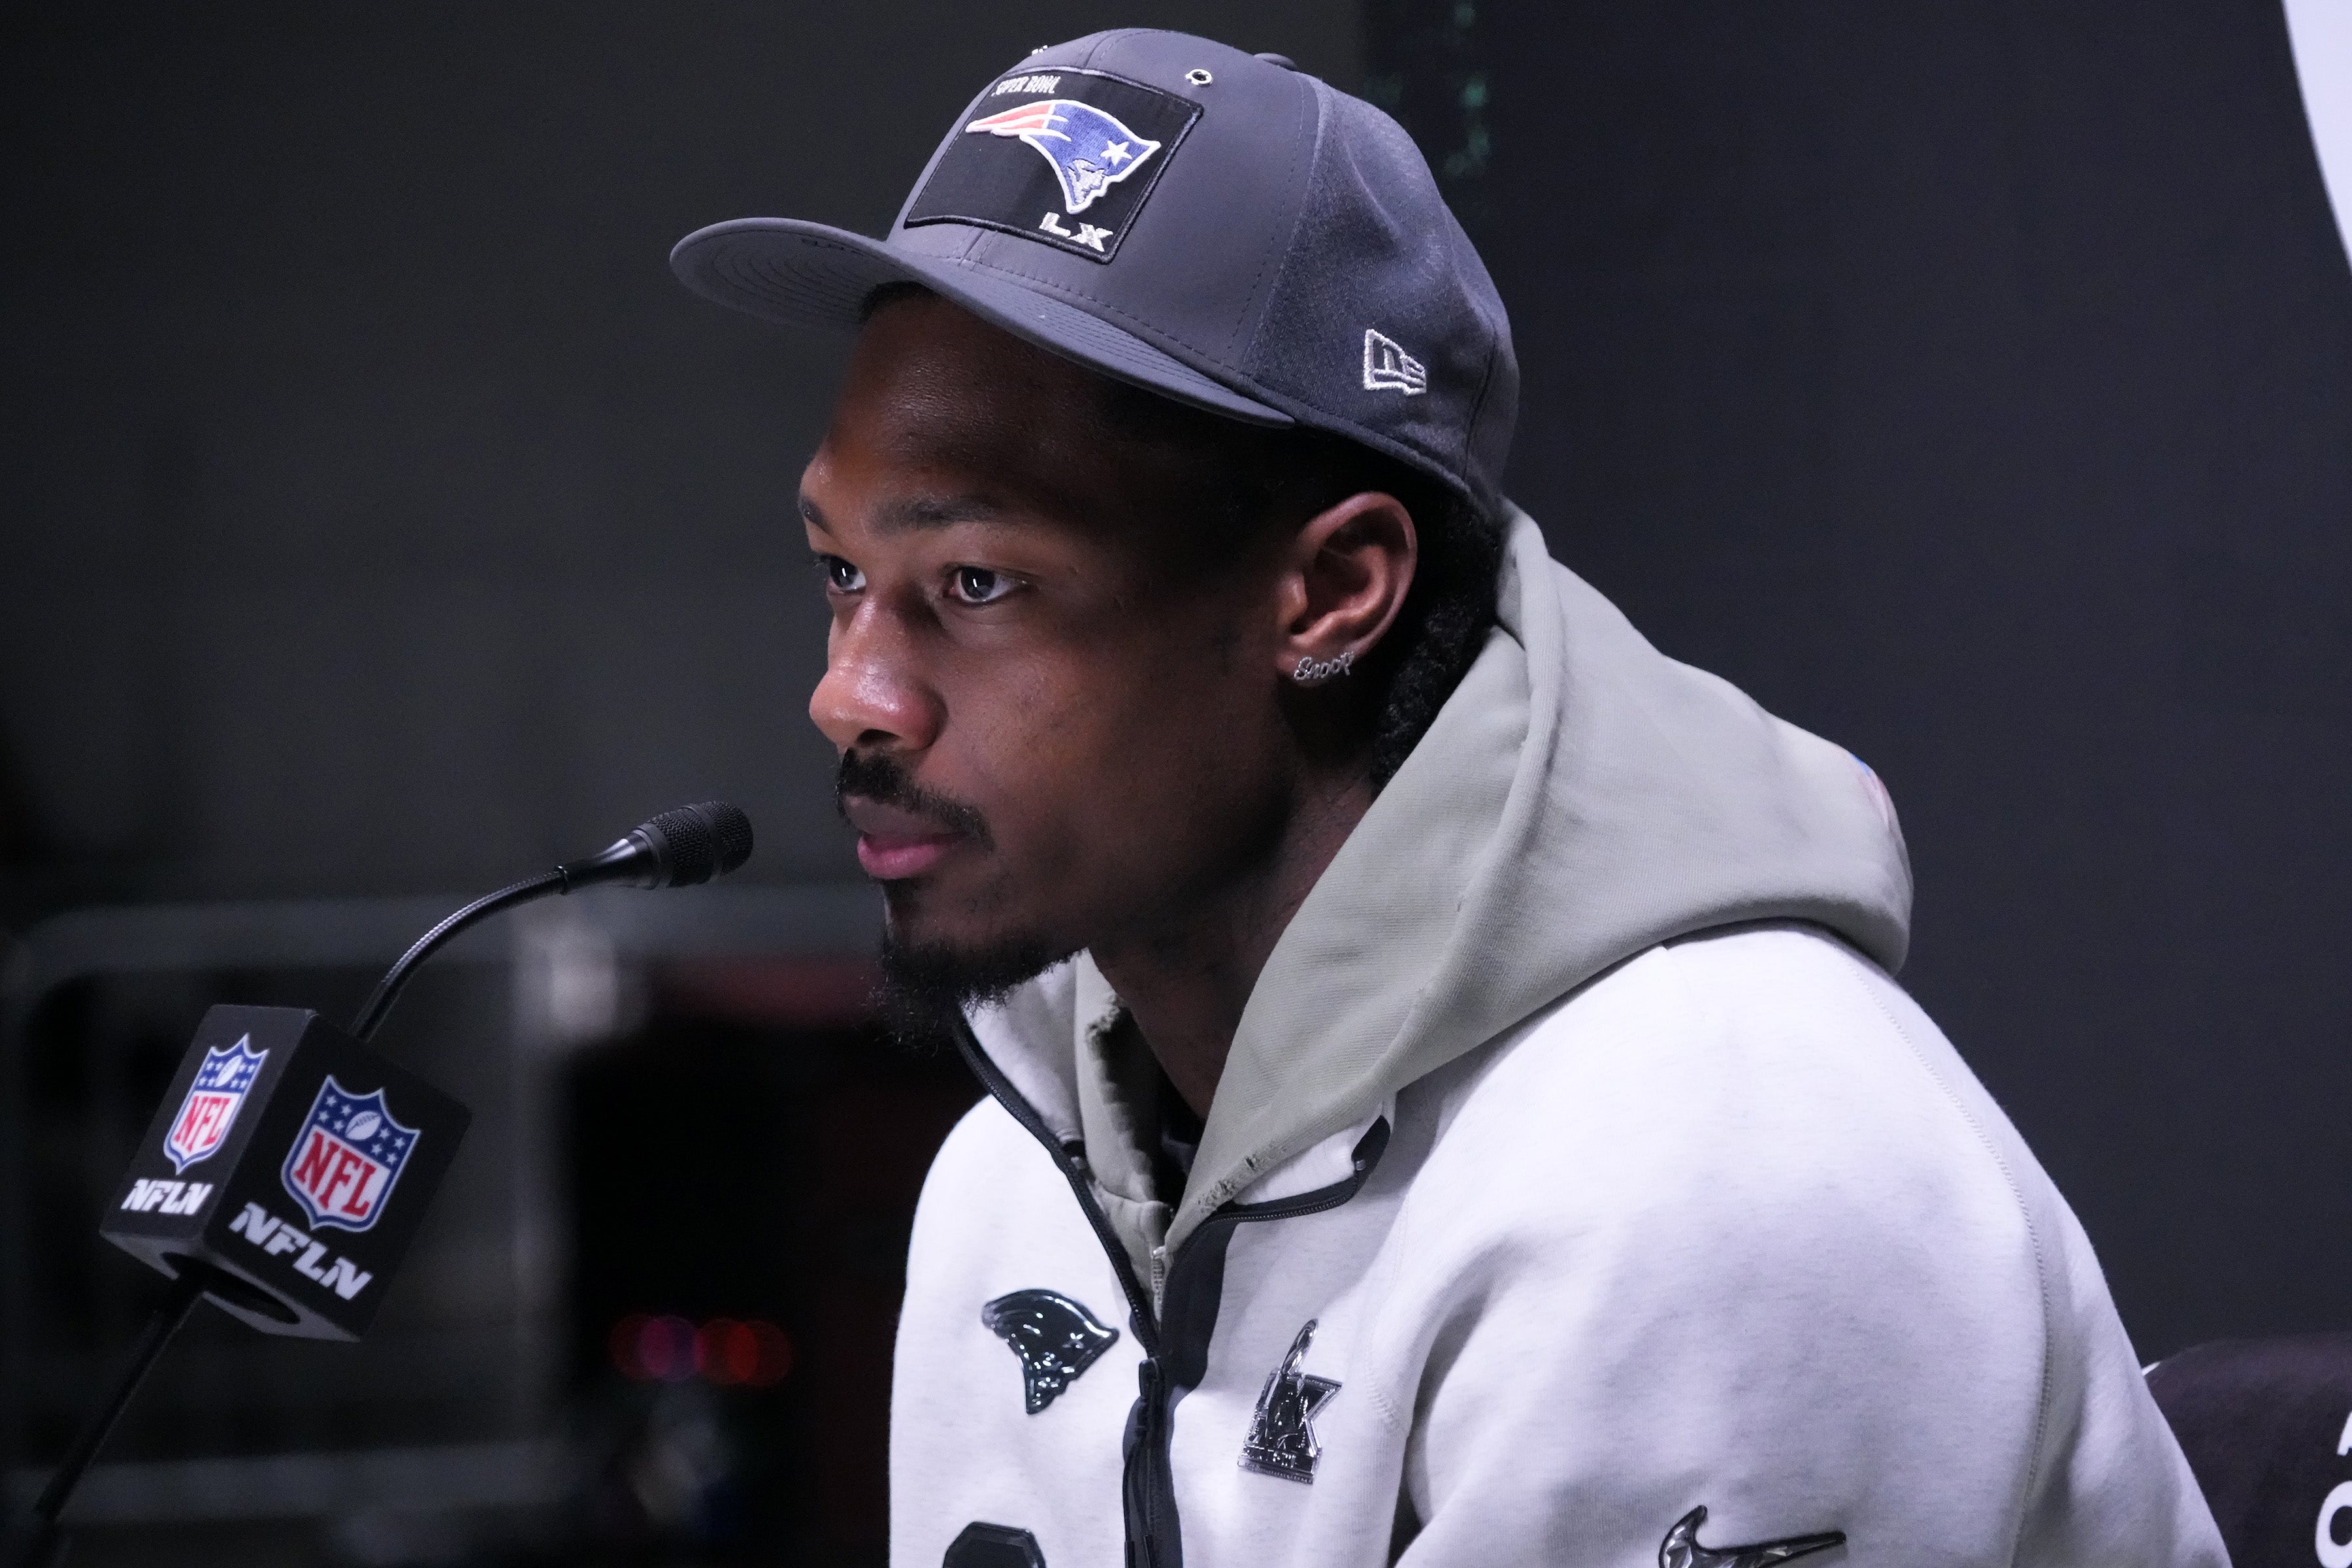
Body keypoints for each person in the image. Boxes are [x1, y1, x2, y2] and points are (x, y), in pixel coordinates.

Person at [670, 30, 2227, 1568]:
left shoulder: (1709, 1162)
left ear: (1332, 592)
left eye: (979, 582)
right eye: (840, 573)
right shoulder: (1013, 1176)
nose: (850, 694)